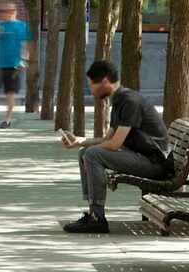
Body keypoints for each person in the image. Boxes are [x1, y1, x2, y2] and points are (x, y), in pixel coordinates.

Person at [61, 60, 171, 233]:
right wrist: (79, 141)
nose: (91, 90)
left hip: (155, 164)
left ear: (105, 81)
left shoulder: (130, 101)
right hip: (142, 157)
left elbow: (113, 144)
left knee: (92, 154)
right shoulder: (119, 100)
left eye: (92, 85)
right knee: (85, 152)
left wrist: (93, 147)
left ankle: (97, 218)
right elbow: (108, 138)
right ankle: (93, 213)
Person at [0, 3, 30, 129]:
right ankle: (7, 117)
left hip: (14, 65)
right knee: (5, 93)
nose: (3, 14)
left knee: (10, 93)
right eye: (2, 12)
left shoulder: (21, 26)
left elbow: (26, 45)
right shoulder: (1, 25)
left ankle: (7, 120)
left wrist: (24, 59)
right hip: (1, 64)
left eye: (5, 11)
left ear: (13, 12)